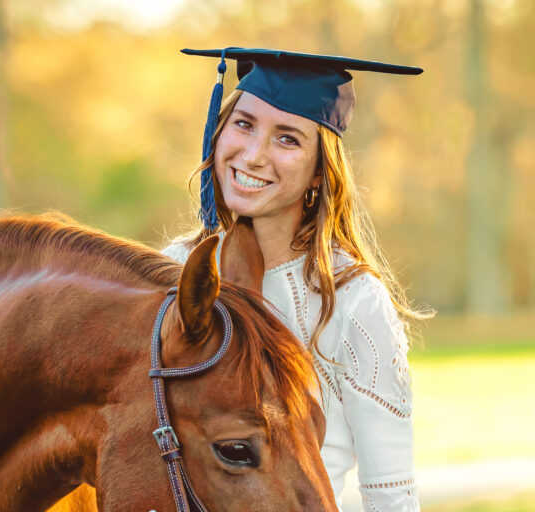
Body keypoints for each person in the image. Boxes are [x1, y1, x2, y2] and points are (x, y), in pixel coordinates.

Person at [161, 48, 432, 511]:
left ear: (317, 173)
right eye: (243, 124)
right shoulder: (172, 270)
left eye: (287, 139)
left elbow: (391, 494)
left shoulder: (351, 299)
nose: (253, 154)